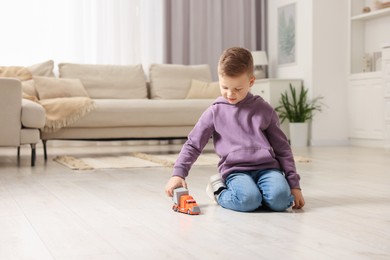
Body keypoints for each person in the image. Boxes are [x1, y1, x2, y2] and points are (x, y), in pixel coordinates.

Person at [165, 47, 305, 212]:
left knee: (281, 201)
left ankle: (260, 195)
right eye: (224, 87)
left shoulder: (264, 109)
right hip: (236, 171)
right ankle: (218, 189)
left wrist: (294, 185)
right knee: (248, 201)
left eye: (238, 89)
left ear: (251, 82)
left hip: (268, 168)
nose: (230, 94)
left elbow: (283, 149)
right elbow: (193, 144)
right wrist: (178, 174)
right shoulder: (215, 111)